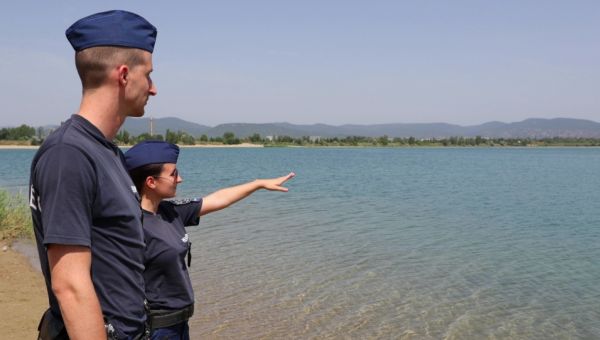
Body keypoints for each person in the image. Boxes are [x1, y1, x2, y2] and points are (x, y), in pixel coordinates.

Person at [29, 10, 158, 340]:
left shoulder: (107, 152)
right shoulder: (69, 154)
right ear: (124, 75)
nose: (154, 88)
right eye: (149, 75)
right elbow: (70, 285)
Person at [123, 141, 295, 340]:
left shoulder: (170, 212)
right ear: (151, 182)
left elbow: (217, 199)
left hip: (179, 323)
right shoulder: (133, 225)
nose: (180, 179)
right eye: (173, 174)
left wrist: (258, 184)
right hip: (156, 329)